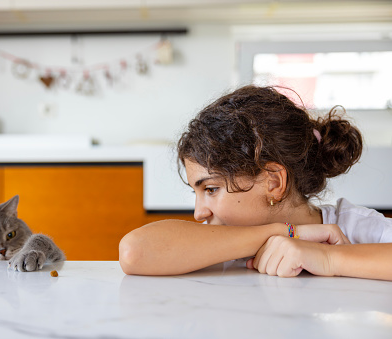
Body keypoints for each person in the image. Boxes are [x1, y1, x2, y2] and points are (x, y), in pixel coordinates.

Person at [119, 85, 392, 280]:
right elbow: (134, 252)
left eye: (211, 189)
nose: (199, 212)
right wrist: (287, 232)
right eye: (197, 192)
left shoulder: (354, 227)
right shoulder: (223, 238)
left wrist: (329, 258)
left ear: (273, 182)